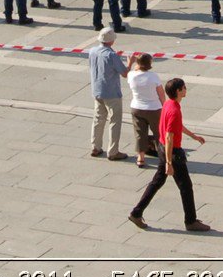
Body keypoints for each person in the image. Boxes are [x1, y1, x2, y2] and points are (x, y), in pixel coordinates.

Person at [127, 77, 210, 232]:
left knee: (157, 182)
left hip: (163, 148)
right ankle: (191, 221)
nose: (186, 89)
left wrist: (194, 136)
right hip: (173, 153)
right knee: (186, 187)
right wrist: (169, 163)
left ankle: (136, 213)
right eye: (184, 87)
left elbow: (176, 127)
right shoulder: (174, 110)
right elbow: (169, 136)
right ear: (178, 91)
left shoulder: (169, 104)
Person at [88, 28, 128, 160]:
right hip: (111, 92)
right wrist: (131, 63)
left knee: (98, 119)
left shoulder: (93, 51)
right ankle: (113, 151)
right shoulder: (111, 55)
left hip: (97, 90)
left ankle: (95, 147)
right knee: (114, 121)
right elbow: (124, 73)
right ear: (111, 41)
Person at [127, 52, 164, 168]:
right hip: (154, 108)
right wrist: (165, 107)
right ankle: (163, 157)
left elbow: (132, 71)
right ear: (150, 64)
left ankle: (141, 158)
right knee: (158, 133)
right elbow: (161, 94)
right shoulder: (154, 77)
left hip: (137, 108)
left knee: (140, 134)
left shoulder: (131, 75)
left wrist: (131, 63)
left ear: (137, 63)